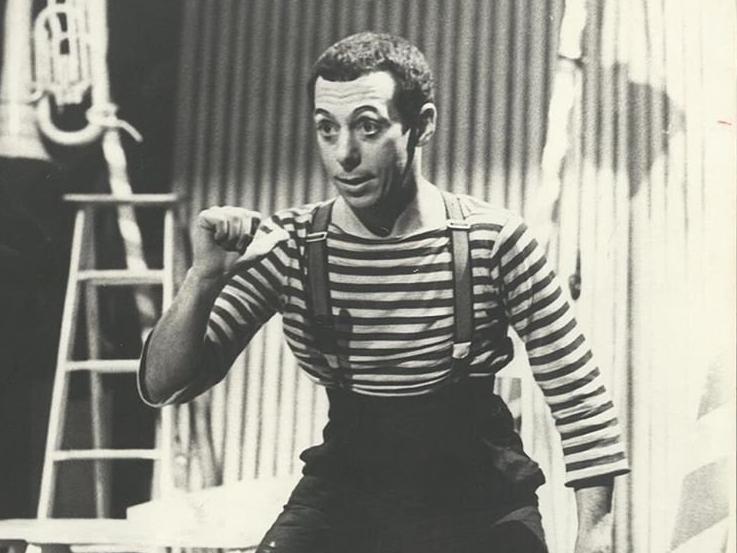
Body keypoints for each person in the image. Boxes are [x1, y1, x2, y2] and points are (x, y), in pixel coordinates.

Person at [139, 32, 629, 553]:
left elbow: (578, 393)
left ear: (423, 125)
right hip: (346, 496)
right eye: (327, 129)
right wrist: (203, 279)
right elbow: (162, 386)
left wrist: (594, 534)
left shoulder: (493, 240)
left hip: (479, 502)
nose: (344, 155)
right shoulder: (289, 246)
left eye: (368, 127)